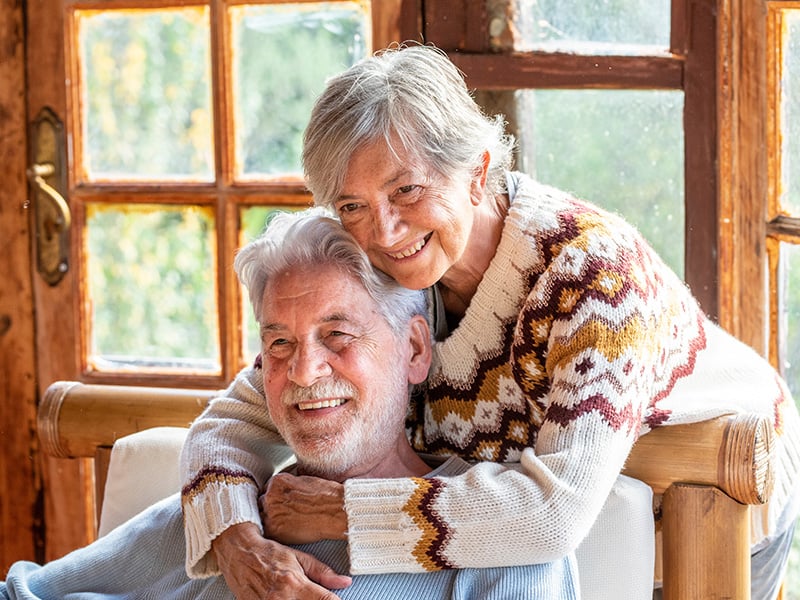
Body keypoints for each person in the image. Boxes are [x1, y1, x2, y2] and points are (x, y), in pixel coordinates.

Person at [181, 44, 800, 600]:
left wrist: (345, 511)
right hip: (552, 526)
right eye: (352, 206)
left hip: (722, 484)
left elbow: (554, 514)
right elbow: (237, 419)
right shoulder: (386, 271)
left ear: (477, 171)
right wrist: (235, 540)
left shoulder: (592, 276)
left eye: (406, 191)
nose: (384, 231)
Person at [1, 209, 578, 600]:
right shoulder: (221, 518)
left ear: (413, 349)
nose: (303, 371)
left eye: (338, 335)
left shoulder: (507, 541)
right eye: (279, 343)